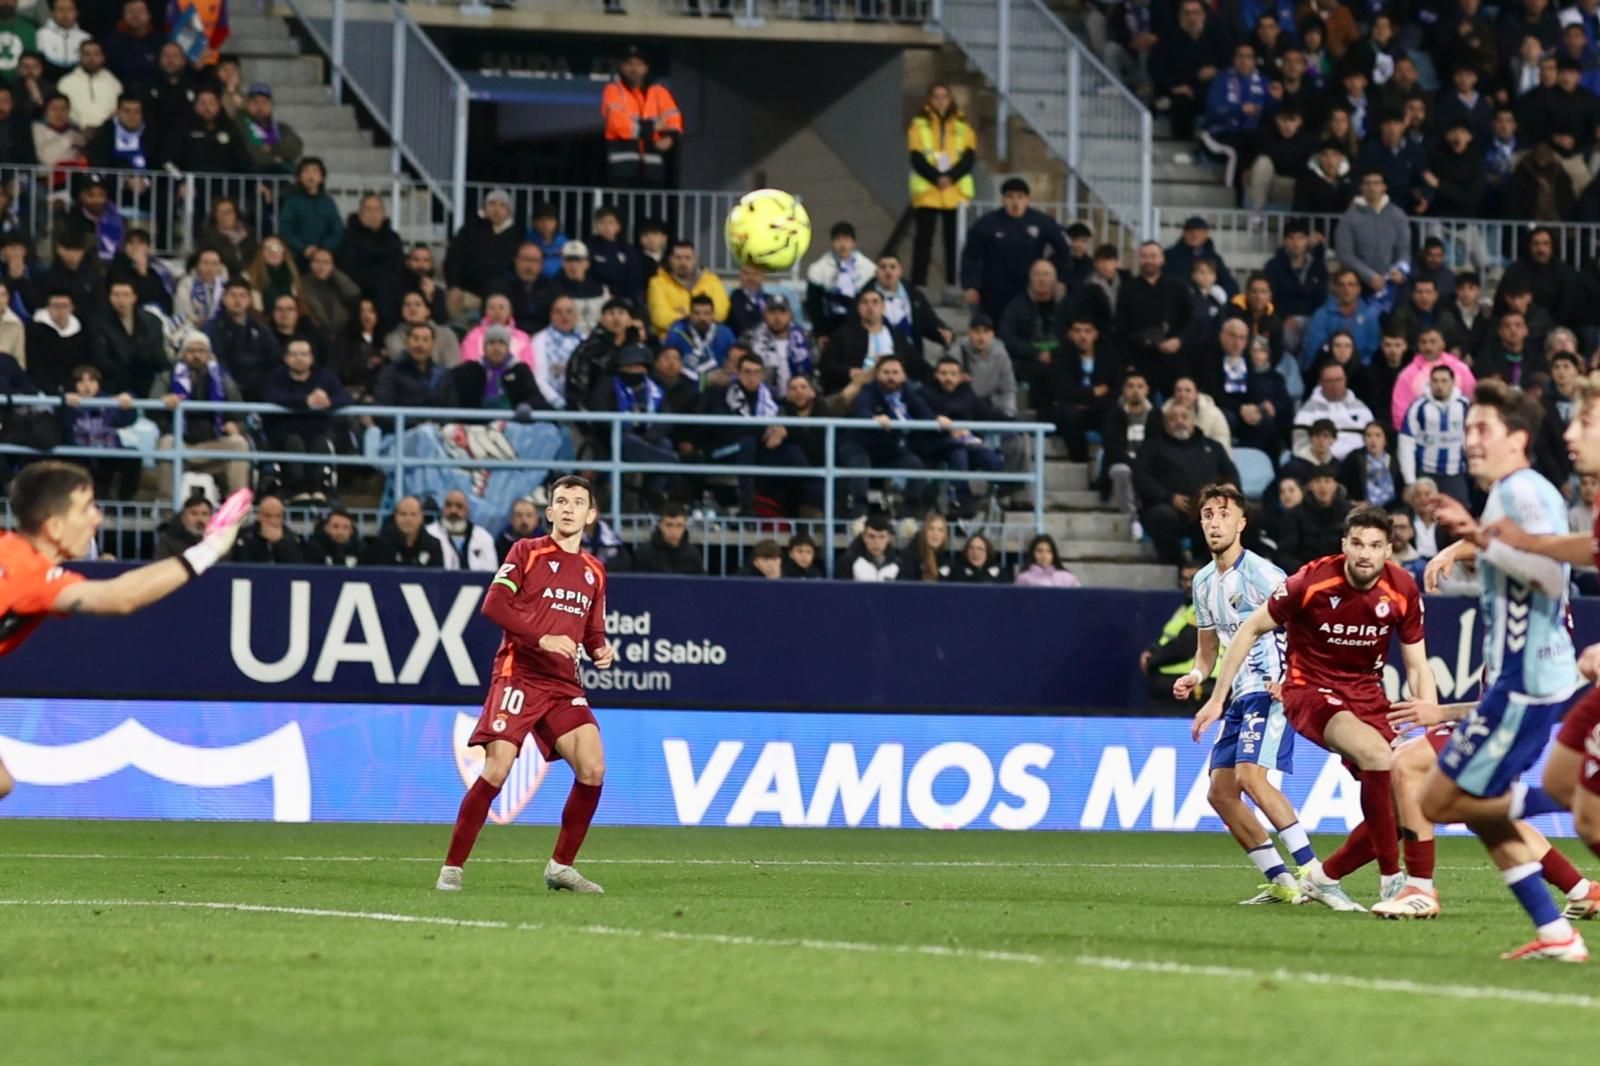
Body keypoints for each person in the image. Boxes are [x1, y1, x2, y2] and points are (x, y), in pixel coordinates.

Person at [1413, 382, 1589, 960]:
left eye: (1482, 429)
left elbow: (1548, 572)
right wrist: (1480, 538)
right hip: (1516, 678)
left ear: (1517, 438)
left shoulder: (1525, 492)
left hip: (1526, 682)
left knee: (1439, 802)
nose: (1470, 440)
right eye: (1467, 429)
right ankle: (1556, 932)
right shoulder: (1506, 494)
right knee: (1474, 811)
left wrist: (1484, 541)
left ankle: (1570, 798)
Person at [1196, 505, 1435, 912]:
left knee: (1406, 798)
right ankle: (1393, 881)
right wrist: (1218, 698)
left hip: (1368, 695)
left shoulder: (1403, 590)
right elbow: (1250, 628)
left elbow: (1417, 664)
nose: (1365, 553)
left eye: (1375, 546)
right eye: (1357, 544)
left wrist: (1428, 713)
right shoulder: (1311, 580)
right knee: (1376, 755)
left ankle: (1323, 878)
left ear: (1389, 551)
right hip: (1310, 690)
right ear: (1344, 545)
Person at [0, 459, 246, 804]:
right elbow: (121, 597)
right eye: (86, 509)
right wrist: (208, 550)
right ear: (54, 526)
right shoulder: (33, 577)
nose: (97, 518)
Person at [438, 475, 615, 893]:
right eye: (560, 501)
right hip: (519, 673)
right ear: (550, 512)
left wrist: (601, 650)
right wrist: (542, 636)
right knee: (498, 768)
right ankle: (452, 867)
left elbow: (592, 632)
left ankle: (560, 866)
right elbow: (493, 604)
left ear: (591, 515)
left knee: (593, 768)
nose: (568, 508)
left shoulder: (595, 571)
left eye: (578, 502)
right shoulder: (527, 552)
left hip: (562, 685)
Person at [1175, 484, 1318, 904]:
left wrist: (1295, 676)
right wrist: (1195, 676)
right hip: (1237, 694)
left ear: (1242, 522)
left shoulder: (1263, 574)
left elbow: (1306, 624)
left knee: (1250, 777)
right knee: (1220, 793)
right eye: (1207, 515)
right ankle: (1282, 882)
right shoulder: (1202, 582)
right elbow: (1208, 651)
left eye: (1223, 514)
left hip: (1272, 689)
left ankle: (1314, 873)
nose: (1214, 522)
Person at [1134, 398, 1240, 565]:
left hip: (1207, 507)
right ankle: (1178, 567)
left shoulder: (1213, 447)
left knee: (1241, 516)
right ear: (1165, 423)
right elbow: (1141, 478)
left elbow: (1231, 474)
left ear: (1193, 420)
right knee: (1161, 516)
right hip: (1169, 507)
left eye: (1184, 416)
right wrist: (1169, 497)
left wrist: (1229, 486)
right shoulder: (1151, 447)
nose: (1179, 421)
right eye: (1173, 418)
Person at [150, 330, 251, 500]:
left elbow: (239, 412)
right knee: (166, 444)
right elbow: (151, 406)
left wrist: (235, 426)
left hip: (213, 443)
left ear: (209, 354)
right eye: (191, 351)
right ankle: (167, 510)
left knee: (239, 444)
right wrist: (164, 402)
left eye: (201, 351)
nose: (196, 355)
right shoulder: (168, 377)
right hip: (181, 443)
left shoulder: (223, 379)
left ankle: (236, 511)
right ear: (183, 354)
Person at [958, 176, 1070, 322]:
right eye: (1010, 197)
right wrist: (971, 285)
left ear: (1028, 199)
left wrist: (1055, 275)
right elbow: (970, 256)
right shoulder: (987, 224)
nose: (1015, 202)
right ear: (1003, 199)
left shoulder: (1041, 222)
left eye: (1020, 197)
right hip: (994, 289)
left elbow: (1063, 250)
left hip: (1030, 289)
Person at [260, 337, 348, 502]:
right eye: (294, 354)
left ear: (311, 358)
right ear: (286, 358)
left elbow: (345, 397)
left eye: (304, 354)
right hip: (286, 429)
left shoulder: (324, 376)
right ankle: (295, 489)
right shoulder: (276, 376)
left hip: (317, 429)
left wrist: (329, 401)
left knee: (322, 442)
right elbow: (271, 396)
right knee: (294, 442)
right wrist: (305, 401)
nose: (299, 358)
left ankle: (319, 488)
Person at [907, 83, 975, 288]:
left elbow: (969, 157)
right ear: (929, 99)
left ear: (950, 99)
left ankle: (953, 284)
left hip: (953, 191)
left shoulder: (963, 125)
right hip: (929, 190)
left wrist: (950, 177)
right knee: (923, 240)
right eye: (936, 96)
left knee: (953, 242)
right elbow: (916, 157)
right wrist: (937, 177)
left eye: (944, 96)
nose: (941, 100)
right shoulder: (919, 124)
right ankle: (919, 284)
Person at [600, 45, 682, 187]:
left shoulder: (659, 92)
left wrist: (670, 137)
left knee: (652, 207)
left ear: (646, 68)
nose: (634, 69)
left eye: (638, 64)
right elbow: (617, 123)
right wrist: (652, 126)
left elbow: (674, 119)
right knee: (623, 207)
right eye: (629, 64)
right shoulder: (613, 90)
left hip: (653, 169)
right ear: (621, 67)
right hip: (623, 169)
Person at [1399, 365, 1471, 502]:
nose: (1439, 385)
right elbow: (1406, 443)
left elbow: (1472, 440)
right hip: (1426, 473)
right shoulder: (1418, 407)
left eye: (1444, 381)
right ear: (1430, 382)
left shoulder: (1465, 406)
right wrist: (1409, 480)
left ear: (1452, 383)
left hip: (1455, 473)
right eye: (1435, 381)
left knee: (1459, 514)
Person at [804, 221, 876, 341]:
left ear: (853, 243)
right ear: (832, 243)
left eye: (846, 239)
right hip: (831, 327)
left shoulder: (868, 268)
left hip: (860, 326)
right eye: (838, 239)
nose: (842, 244)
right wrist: (820, 333)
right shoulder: (818, 269)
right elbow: (814, 306)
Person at [647, 239, 728, 339]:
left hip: (710, 338)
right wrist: (699, 317)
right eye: (678, 258)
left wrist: (684, 315)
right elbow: (660, 318)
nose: (683, 262)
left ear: (695, 259)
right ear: (670, 259)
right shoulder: (657, 283)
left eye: (688, 258)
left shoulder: (712, 280)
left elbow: (720, 313)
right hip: (672, 340)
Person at [664, 292, 736, 385]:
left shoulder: (725, 333)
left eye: (707, 313)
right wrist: (702, 380)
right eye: (696, 313)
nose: (702, 318)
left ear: (713, 315)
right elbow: (670, 365)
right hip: (686, 385)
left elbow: (734, 361)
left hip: (718, 385)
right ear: (690, 315)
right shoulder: (677, 333)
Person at [425, 489, 498, 573]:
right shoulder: (429, 533)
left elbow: (492, 573)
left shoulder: (484, 538)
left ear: (467, 510)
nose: (453, 510)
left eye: (459, 506)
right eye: (448, 505)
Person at [361, 495, 444, 567]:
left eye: (413, 514)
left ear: (421, 517)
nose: (408, 519)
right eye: (403, 514)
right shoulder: (379, 546)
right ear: (395, 516)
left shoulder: (433, 545)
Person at [1339, 421, 1404, 508]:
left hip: (1390, 509)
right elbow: (1342, 484)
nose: (1373, 440)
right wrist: (1353, 502)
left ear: (1385, 440)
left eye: (1378, 435)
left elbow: (1400, 489)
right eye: (1368, 435)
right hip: (1361, 508)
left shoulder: (1393, 460)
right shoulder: (1354, 458)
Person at [627, 503, 704, 575]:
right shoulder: (643, 553)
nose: (674, 531)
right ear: (660, 526)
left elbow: (700, 585)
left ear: (685, 527)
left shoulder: (693, 554)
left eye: (679, 525)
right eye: (669, 525)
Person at [233, 494, 305, 565]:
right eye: (268, 516)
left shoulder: (292, 538)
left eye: (278, 516)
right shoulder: (245, 537)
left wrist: (279, 543)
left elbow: (296, 568)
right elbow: (244, 565)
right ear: (259, 516)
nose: (273, 521)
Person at [842, 513, 902, 581]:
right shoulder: (849, 562)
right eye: (871, 537)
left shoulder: (899, 563)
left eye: (882, 537)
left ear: (889, 538)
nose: (876, 542)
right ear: (864, 537)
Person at [1012, 533, 1080, 588]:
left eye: (1048, 551)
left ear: (1053, 554)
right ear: (1032, 553)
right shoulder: (1023, 579)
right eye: (1039, 551)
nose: (1044, 555)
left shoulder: (1068, 578)